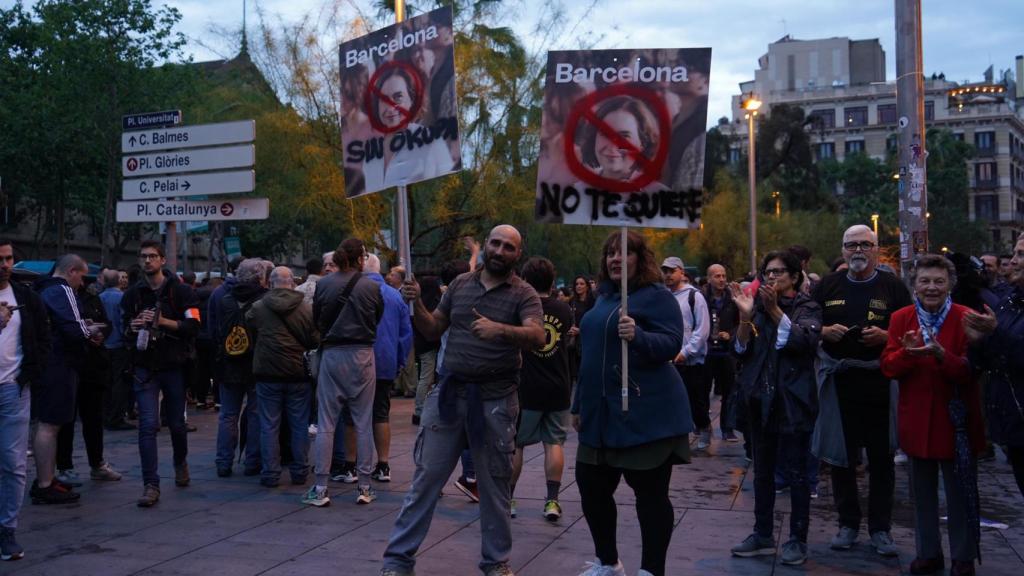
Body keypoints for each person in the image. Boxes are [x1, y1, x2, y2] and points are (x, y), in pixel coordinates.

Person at [381, 225, 544, 576]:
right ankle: (397, 561)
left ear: (518, 254)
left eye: (509, 247)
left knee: (494, 486)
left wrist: (500, 330)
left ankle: (496, 562)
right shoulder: (460, 285)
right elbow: (433, 328)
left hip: (496, 400)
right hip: (449, 396)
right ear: (486, 245)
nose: (499, 250)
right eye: (495, 243)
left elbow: (537, 335)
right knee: (425, 480)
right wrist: (416, 303)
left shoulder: (524, 293)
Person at [572, 230, 692, 576]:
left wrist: (638, 336)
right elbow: (590, 356)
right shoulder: (603, 297)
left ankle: (651, 570)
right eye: (610, 253)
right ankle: (608, 562)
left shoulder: (656, 296)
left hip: (645, 413)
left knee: (651, 497)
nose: (615, 258)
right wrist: (578, 404)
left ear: (640, 258)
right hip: (600, 415)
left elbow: (671, 344)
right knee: (591, 486)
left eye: (623, 252)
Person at [812, 224, 911, 555]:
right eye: (851, 244)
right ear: (842, 250)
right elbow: (806, 323)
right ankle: (848, 524)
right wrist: (824, 330)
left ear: (876, 249)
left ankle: (881, 529)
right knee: (841, 458)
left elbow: (912, 330)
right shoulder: (828, 285)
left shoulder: (893, 287)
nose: (857, 250)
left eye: (864, 245)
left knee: (882, 459)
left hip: (880, 382)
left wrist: (887, 336)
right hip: (839, 383)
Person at [881, 254, 983, 576]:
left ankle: (963, 557)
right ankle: (928, 553)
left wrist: (942, 355)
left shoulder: (967, 318)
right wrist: (908, 353)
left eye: (939, 281)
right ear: (914, 284)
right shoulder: (901, 318)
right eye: (925, 281)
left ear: (950, 284)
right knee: (921, 495)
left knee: (960, 494)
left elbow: (970, 370)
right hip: (916, 420)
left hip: (957, 423)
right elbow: (888, 367)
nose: (932, 287)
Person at [729, 251, 822, 566]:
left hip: (793, 402)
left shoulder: (807, 307)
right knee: (763, 472)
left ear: (795, 277)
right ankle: (763, 534)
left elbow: (803, 342)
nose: (772, 277)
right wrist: (745, 317)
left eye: (779, 272)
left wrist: (774, 311)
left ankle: (797, 539)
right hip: (759, 401)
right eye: (768, 272)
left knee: (797, 474)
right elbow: (741, 350)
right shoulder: (756, 306)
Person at [121, 241, 201, 507]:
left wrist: (162, 321)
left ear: (163, 260)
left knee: (176, 424)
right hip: (144, 366)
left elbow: (193, 326)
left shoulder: (181, 291)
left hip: (174, 365)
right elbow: (123, 329)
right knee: (147, 425)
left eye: (153, 256)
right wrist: (133, 326)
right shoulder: (132, 294)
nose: (147, 261)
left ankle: (180, 462)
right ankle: (150, 484)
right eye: (143, 256)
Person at [304, 238, 383, 507]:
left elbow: (317, 319)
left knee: (326, 421)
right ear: (360, 258)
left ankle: (320, 488)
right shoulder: (371, 286)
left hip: (333, 354)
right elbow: (377, 317)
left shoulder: (324, 284)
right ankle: (365, 486)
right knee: (363, 421)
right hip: (362, 354)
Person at [335, 254, 412, 484]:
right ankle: (383, 464)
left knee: (351, 414)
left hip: (355, 360)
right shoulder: (394, 296)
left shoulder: (351, 291)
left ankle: (350, 465)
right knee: (381, 413)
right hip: (385, 362)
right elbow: (405, 335)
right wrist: (398, 361)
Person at [510, 256, 572, 522]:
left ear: (525, 280)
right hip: (559, 385)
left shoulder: (523, 308)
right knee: (554, 442)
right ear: (551, 280)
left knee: (516, 444)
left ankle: (508, 499)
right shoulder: (564, 309)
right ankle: (552, 501)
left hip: (528, 387)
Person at [246, 266, 319, 487]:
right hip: (298, 373)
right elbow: (314, 339)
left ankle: (270, 473)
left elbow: (250, 325)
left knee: (269, 425)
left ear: (270, 282)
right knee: (299, 424)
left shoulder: (259, 307)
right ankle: (300, 471)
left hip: (267, 373)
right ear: (293, 282)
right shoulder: (306, 308)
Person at [31, 254, 96, 505]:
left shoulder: (41, 289)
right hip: (59, 364)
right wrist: (90, 330)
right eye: (82, 276)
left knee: (45, 424)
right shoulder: (62, 290)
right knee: (50, 426)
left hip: (46, 363)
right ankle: (45, 484)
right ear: (72, 271)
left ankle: (46, 478)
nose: (82, 283)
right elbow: (75, 330)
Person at [0, 239, 50, 560]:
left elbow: (43, 339)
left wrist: (30, 374)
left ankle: (7, 529)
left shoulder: (26, 297)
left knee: (13, 463)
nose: (4, 265)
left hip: (13, 389)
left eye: (8, 258)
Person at [966, 233, 1024, 499]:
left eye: (1021, 255)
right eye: (1015, 253)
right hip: (1013, 421)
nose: (1012, 261)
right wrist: (977, 341)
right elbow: (994, 355)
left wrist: (995, 333)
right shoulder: (1010, 300)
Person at [55, 279, 121, 486]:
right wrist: (85, 334)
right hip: (70, 365)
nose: (83, 281)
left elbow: (106, 323)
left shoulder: (91, 298)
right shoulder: (58, 298)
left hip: (92, 366)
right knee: (66, 420)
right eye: (80, 275)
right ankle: (64, 466)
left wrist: (100, 333)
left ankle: (97, 463)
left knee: (93, 418)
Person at [362, 66, 455, 193]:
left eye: (398, 97)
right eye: (383, 99)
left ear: (412, 100)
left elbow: (449, 187)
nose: (390, 108)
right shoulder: (370, 154)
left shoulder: (432, 140)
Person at [215, 258, 267, 477]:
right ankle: (252, 462)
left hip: (228, 364)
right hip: (256, 364)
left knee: (228, 415)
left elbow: (216, 331)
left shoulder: (224, 299)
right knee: (255, 414)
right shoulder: (264, 300)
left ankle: (223, 462)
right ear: (260, 278)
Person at [662, 256, 711, 450]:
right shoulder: (664, 296)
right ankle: (678, 437)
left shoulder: (694, 296)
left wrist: (687, 351)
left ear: (681, 272)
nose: (668, 275)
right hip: (669, 359)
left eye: (671, 271)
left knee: (695, 400)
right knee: (673, 401)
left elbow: (702, 329)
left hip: (691, 361)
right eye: (665, 271)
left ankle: (704, 428)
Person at [703, 264, 739, 442]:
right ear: (709, 278)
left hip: (726, 352)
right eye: (717, 276)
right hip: (707, 351)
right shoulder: (701, 298)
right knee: (703, 391)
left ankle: (727, 428)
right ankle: (703, 426)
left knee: (729, 392)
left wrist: (730, 334)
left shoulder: (732, 299)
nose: (722, 279)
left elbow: (741, 323)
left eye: (724, 276)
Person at [99, 269, 135, 430]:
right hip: (119, 345)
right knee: (119, 382)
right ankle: (116, 417)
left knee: (107, 382)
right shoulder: (122, 297)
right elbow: (123, 321)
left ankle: (106, 415)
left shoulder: (100, 297)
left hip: (103, 344)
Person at [567, 275, 595, 385]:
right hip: (575, 343)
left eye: (582, 284)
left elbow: (595, 323)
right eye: (577, 284)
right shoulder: (571, 302)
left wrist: (580, 331)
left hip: (589, 342)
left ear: (587, 286)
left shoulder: (593, 302)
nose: (578, 286)